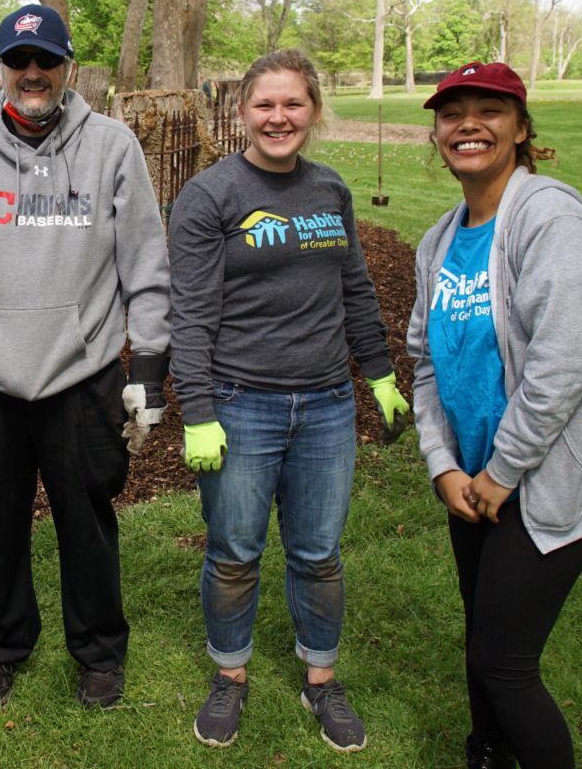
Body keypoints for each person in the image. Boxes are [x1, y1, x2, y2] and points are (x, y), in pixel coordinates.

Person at [0, 4, 171, 710]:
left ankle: (99, 650)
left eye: (46, 61)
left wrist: (147, 369)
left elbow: (145, 264)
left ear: (67, 68)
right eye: (19, 62)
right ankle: (1, 641)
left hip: (81, 376)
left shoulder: (113, 147)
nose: (33, 74)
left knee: (88, 520)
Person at [168, 48, 409, 753]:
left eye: (293, 104)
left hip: (328, 405)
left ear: (313, 111)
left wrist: (379, 373)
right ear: (241, 112)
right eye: (264, 105)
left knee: (319, 552)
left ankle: (321, 678)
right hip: (243, 405)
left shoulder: (330, 190)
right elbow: (191, 314)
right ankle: (230, 674)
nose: (279, 117)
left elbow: (356, 288)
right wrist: (201, 411)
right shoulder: (210, 196)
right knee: (235, 549)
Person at [409, 62, 582, 769]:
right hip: (474, 478)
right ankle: (488, 753)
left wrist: (501, 473)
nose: (468, 123)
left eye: (489, 110)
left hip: (540, 477)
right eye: (452, 113)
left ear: (522, 129)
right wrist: (444, 464)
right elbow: (424, 362)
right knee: (484, 638)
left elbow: (567, 360)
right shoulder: (439, 241)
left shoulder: (549, 217)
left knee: (505, 661)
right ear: (437, 135)